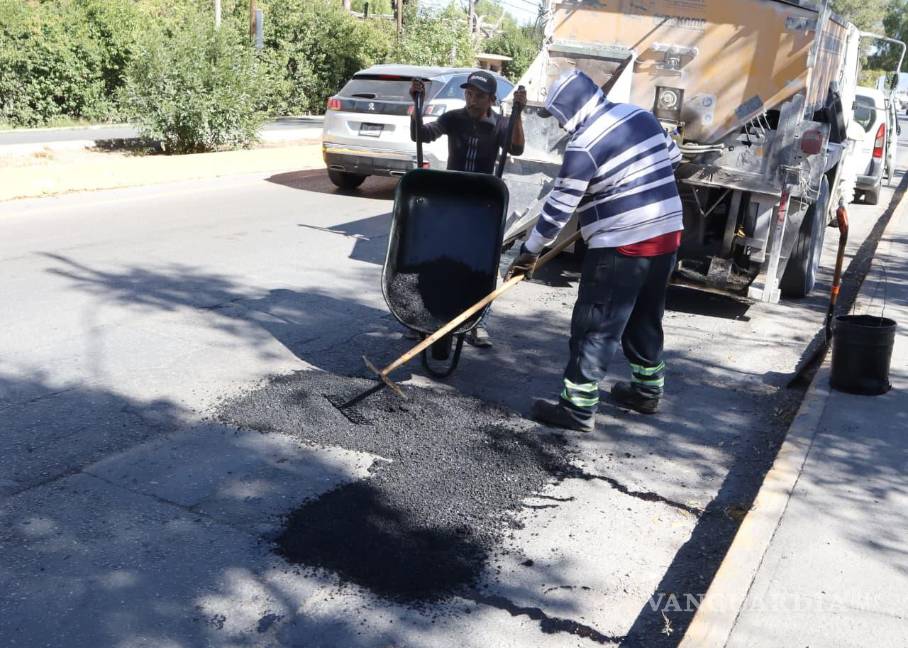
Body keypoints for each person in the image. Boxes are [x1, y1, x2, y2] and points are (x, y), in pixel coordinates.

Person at [506, 69, 683, 433]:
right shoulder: (641, 116)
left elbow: (557, 211)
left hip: (622, 244)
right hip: (667, 235)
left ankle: (577, 408)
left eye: (559, 116)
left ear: (571, 109)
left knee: (595, 325)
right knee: (644, 315)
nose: (560, 125)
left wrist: (529, 251)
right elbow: (674, 157)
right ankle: (647, 390)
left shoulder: (584, 144)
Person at [409, 71, 526, 348]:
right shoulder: (453, 118)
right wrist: (417, 103)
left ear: (491, 100)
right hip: (451, 200)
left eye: (479, 96)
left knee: (483, 266)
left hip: (483, 204)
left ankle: (476, 323)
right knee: (435, 259)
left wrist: (518, 113)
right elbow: (421, 135)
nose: (472, 100)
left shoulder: (500, 125)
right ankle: (421, 320)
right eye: (469, 93)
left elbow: (517, 148)